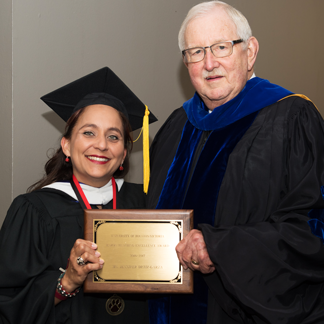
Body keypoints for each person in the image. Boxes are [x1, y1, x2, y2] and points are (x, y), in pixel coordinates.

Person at [146, 1, 324, 323]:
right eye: (196, 52)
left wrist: (220, 246)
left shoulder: (292, 119)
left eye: (221, 47)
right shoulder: (176, 126)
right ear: (186, 63)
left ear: (250, 51)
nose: (209, 63)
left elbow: (314, 230)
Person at [0, 67, 157, 324]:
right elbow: (8, 305)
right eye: (89, 132)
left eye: (114, 136)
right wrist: (67, 282)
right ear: (67, 145)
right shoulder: (33, 211)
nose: (102, 145)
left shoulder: (148, 203)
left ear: (124, 154)